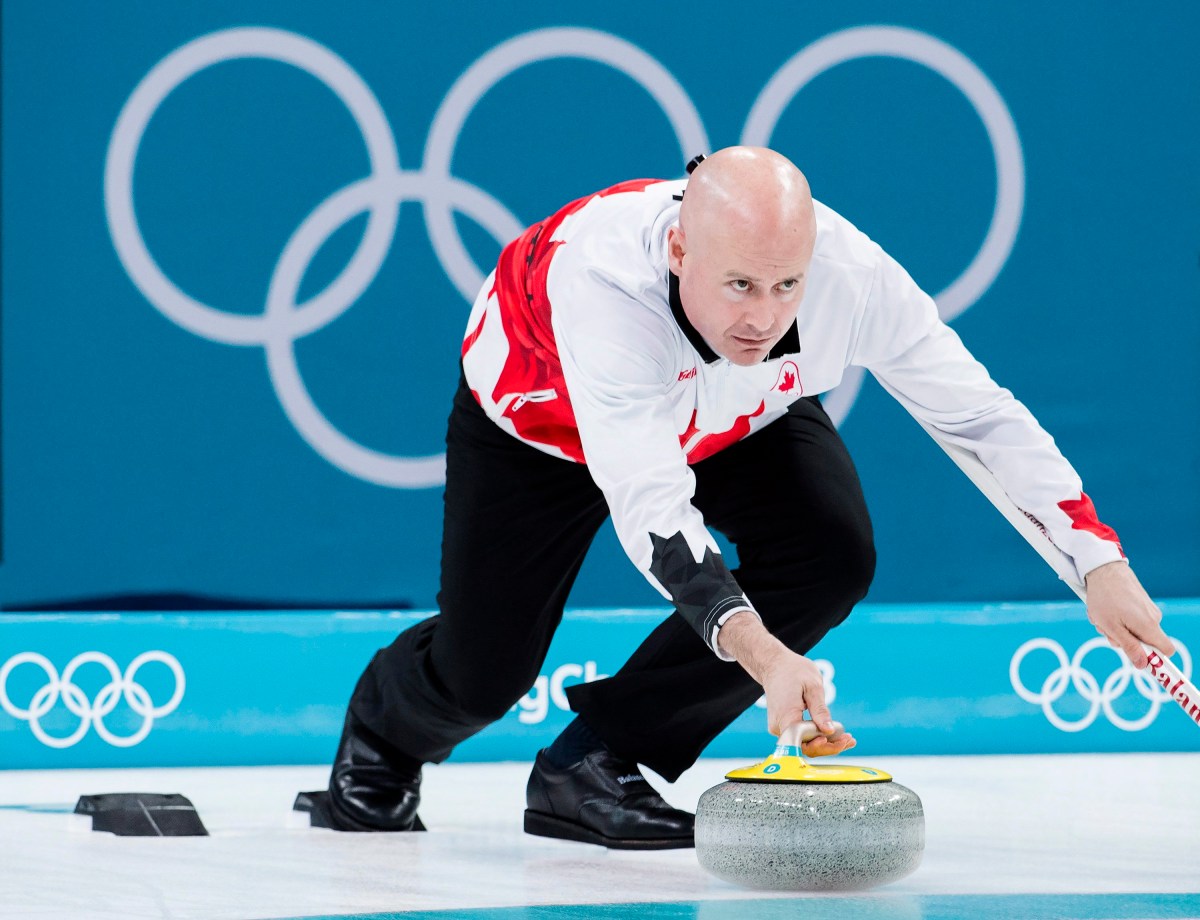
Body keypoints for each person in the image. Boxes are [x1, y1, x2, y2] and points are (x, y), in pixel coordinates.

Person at [303, 146, 1175, 848]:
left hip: (732, 412)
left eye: (786, 286)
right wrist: (762, 654)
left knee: (832, 551)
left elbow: (978, 417)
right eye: (740, 287)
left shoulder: (850, 274)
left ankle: (598, 761)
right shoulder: (603, 282)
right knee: (483, 673)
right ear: (682, 249)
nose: (764, 315)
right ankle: (385, 736)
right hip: (544, 430)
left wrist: (1095, 562)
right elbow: (653, 512)